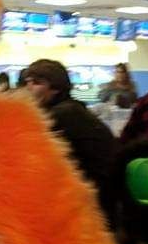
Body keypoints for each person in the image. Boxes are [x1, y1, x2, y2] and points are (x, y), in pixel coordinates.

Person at [22, 59, 116, 192]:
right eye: (27, 82)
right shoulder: (72, 108)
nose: (28, 88)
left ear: (56, 88)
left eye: (37, 83)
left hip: (93, 194)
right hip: (99, 188)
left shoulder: (63, 114)